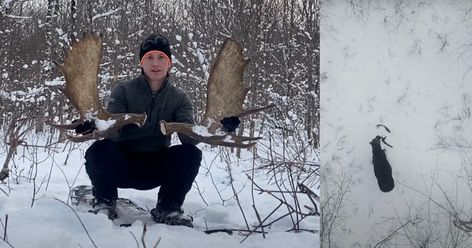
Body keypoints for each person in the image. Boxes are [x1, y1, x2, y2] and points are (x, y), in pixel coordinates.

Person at [77, 34, 202, 228]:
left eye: (161, 58)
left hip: (157, 166)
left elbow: (189, 140)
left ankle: (168, 208)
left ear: (170, 64)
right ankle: (104, 202)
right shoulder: (124, 91)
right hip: (122, 165)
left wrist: (221, 125)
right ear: (141, 63)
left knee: (191, 154)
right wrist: (94, 127)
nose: (155, 63)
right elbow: (111, 130)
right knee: (99, 149)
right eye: (149, 57)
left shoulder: (179, 98)